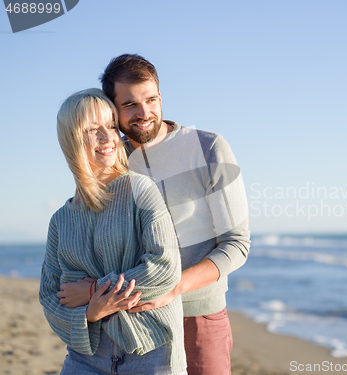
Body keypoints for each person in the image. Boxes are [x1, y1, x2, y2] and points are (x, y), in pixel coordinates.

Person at [58, 54, 251, 375]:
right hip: (134, 322)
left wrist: (172, 288)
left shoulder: (207, 148)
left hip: (197, 315)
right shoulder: (109, 157)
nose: (144, 112)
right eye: (130, 104)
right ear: (113, 109)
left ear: (161, 96)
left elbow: (237, 244)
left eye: (151, 99)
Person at [39, 89, 187, 375]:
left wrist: (95, 289)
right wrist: (90, 312)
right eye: (93, 130)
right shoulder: (60, 220)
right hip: (86, 356)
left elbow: (165, 267)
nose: (108, 138)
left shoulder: (140, 190)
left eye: (111, 126)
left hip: (150, 350)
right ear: (71, 139)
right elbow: (49, 296)